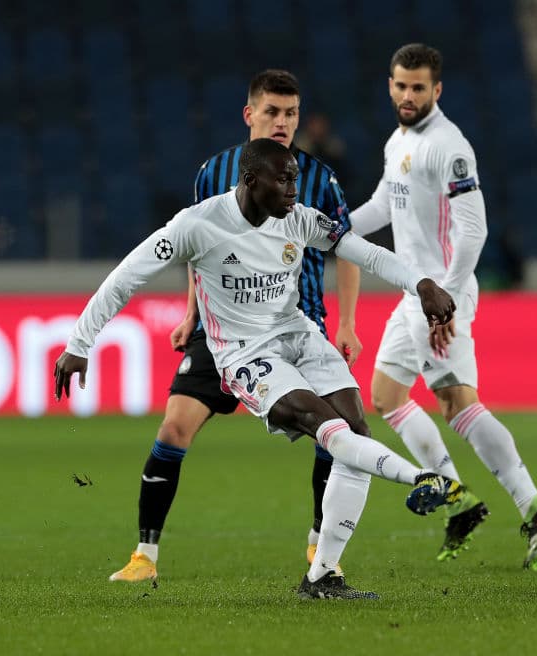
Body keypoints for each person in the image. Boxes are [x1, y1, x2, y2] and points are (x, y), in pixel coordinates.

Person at [55, 138, 465, 599]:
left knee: (355, 429)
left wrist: (422, 283)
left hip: (299, 334)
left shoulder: (298, 218)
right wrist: (80, 342)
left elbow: (362, 252)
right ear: (251, 181)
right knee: (326, 426)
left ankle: (323, 575)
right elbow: (127, 276)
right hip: (245, 353)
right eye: (284, 179)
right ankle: (422, 479)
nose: (294, 189)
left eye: (295, 178)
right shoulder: (199, 224)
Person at [105, 70, 364, 584]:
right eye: (272, 111)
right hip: (221, 330)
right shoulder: (214, 171)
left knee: (333, 436)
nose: (283, 122)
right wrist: (189, 312)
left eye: (291, 113)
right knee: (173, 429)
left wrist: (349, 323)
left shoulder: (318, 177)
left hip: (296, 327)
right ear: (250, 115)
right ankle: (144, 557)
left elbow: (346, 249)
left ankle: (319, 548)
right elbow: (194, 246)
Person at [349, 43, 537, 569]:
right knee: (385, 394)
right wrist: (333, 229)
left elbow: (475, 229)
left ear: (437, 90)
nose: (407, 95)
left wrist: (444, 300)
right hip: (414, 292)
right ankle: (457, 497)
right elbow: (384, 204)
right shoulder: (398, 140)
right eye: (400, 85)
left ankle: (531, 504)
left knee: (457, 403)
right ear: (390, 83)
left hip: (438, 292)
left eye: (418, 87)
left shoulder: (450, 146)